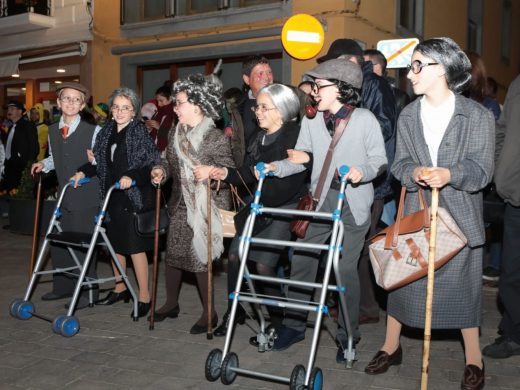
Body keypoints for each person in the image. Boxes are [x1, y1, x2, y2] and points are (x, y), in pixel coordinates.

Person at [365, 38, 494, 390]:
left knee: (463, 293)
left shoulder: (476, 115)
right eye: (412, 65)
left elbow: (483, 170)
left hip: (460, 218)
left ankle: (473, 357)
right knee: (403, 283)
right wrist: (416, 172)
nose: (411, 73)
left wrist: (450, 174)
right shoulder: (408, 114)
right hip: (416, 216)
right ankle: (391, 347)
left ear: (444, 69)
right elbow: (400, 164)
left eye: (419, 65)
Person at [261, 59, 387, 362]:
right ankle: (293, 325)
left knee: (344, 268)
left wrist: (362, 172)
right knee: (303, 258)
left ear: (341, 88)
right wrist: (276, 167)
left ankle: (347, 335)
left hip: (353, 201)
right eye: (314, 85)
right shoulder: (312, 119)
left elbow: (380, 161)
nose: (314, 91)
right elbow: (303, 158)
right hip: (319, 199)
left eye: (320, 86)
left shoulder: (365, 119)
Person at [202, 83, 308, 338]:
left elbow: (296, 174)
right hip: (259, 208)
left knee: (262, 266)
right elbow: (247, 172)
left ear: (281, 110)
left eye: (263, 107)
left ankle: (278, 321)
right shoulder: (258, 137)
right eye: (257, 106)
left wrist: (273, 168)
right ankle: (234, 310)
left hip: (284, 208)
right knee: (236, 257)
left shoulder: (295, 134)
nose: (256, 112)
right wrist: (224, 173)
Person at [318, 38, 397, 325]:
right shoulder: (347, 85)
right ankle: (360, 305)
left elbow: (386, 125)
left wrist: (351, 125)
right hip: (348, 178)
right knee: (352, 247)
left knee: (359, 247)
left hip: (370, 179)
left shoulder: (373, 84)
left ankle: (366, 308)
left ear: (349, 61)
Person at [150, 74, 235, 334]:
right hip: (179, 203)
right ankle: (171, 303)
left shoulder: (214, 136)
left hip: (207, 204)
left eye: (180, 103)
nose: (175, 107)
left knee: (201, 259)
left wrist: (211, 170)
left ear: (197, 105)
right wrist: (159, 171)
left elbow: (229, 169)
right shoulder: (175, 132)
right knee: (173, 257)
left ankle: (209, 313)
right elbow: (166, 160)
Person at [71, 87, 160, 318]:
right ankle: (120, 287)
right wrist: (83, 172)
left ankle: (144, 296)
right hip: (110, 195)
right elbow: (99, 163)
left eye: (126, 108)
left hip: (132, 196)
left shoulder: (139, 133)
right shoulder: (106, 132)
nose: (120, 111)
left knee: (134, 248)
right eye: (116, 107)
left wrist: (132, 177)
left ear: (134, 111)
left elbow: (151, 165)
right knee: (113, 245)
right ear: (111, 110)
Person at [31, 82, 101, 308]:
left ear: (82, 106)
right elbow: (55, 157)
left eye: (76, 99)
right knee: (59, 241)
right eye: (66, 98)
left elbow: (100, 162)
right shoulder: (52, 129)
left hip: (86, 195)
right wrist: (44, 163)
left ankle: (88, 292)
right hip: (63, 193)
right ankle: (62, 287)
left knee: (83, 243)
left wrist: (91, 165)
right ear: (59, 103)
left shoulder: (94, 131)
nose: (71, 102)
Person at [482, 74, 520, 359]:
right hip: (514, 196)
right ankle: (513, 329)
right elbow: (503, 130)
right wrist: (499, 168)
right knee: (510, 273)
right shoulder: (517, 82)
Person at [230, 55, 275, 168]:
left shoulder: (284, 99)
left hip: (277, 169)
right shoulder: (239, 106)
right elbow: (237, 142)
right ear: (247, 79)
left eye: (269, 72)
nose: (267, 77)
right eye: (260, 73)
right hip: (248, 172)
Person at [0, 101, 39, 193]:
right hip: (9, 167)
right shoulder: (10, 127)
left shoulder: (28, 126)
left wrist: (28, 167)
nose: (9, 111)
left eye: (12, 109)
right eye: (8, 109)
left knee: (19, 197)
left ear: (20, 111)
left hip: (21, 168)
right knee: (8, 195)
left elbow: (34, 147)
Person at [144, 85, 175, 153]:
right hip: (154, 151)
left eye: (161, 101)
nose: (159, 104)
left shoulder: (176, 114)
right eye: (157, 101)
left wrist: (159, 128)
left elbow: (176, 136)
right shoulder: (158, 112)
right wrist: (148, 127)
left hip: (167, 153)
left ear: (170, 98)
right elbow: (150, 133)